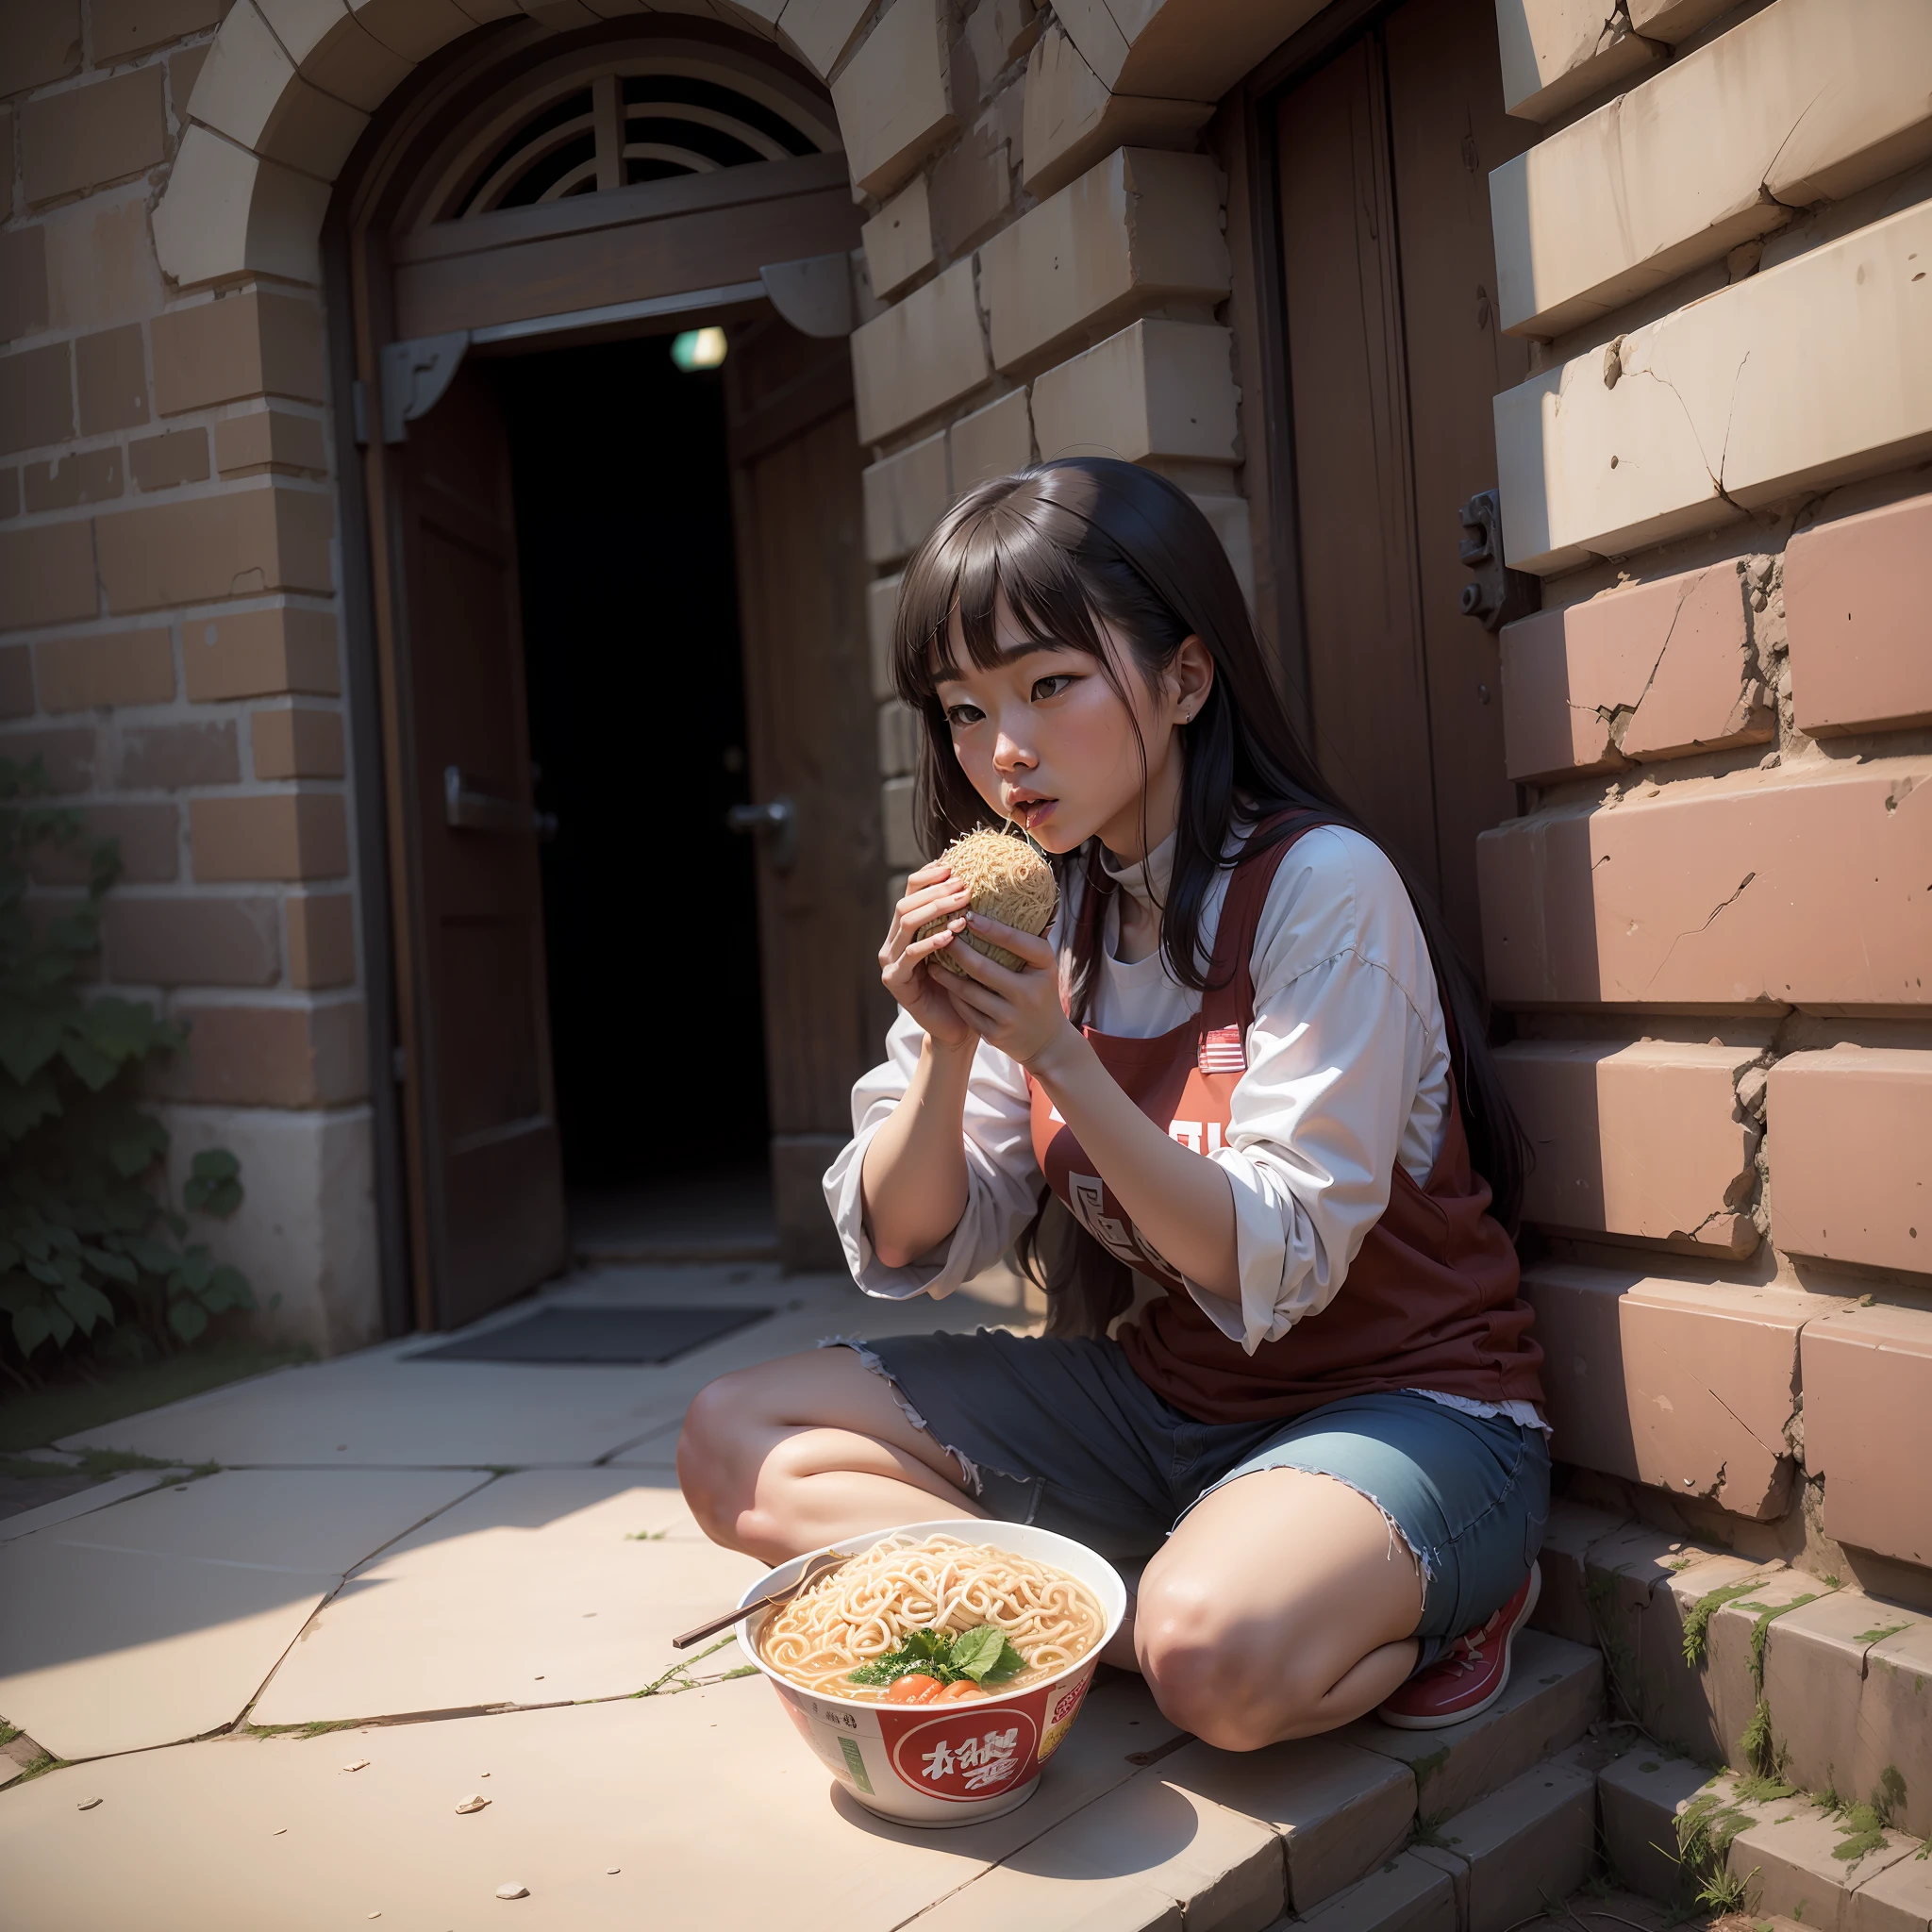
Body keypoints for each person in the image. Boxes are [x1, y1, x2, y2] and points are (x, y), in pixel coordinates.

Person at [678, 458, 1548, 1744]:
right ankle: (1137, 1607)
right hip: (1164, 1411)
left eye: (1047, 686)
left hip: (1409, 1411)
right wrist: (948, 1049)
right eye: (962, 712)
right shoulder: (1041, 908)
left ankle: (1415, 1593)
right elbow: (913, 1241)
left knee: (1215, 1660)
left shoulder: (1321, 889)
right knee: (736, 1439)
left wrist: (1061, 1055)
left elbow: (1274, 1258)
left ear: (1186, 679)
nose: (1003, 753)